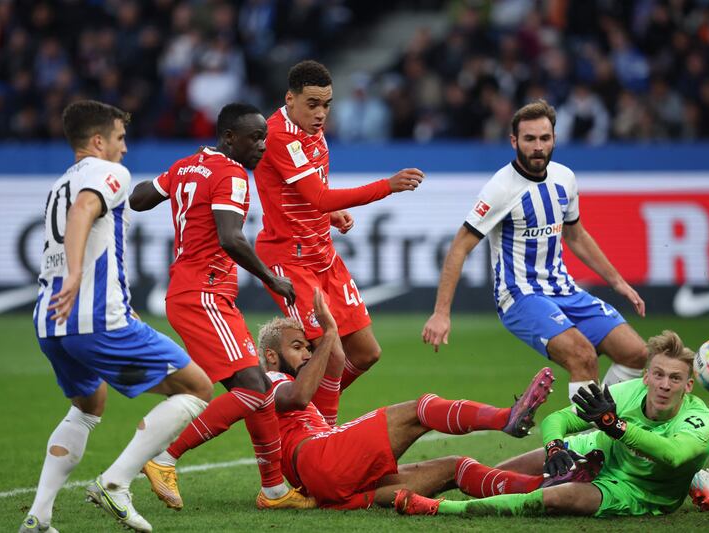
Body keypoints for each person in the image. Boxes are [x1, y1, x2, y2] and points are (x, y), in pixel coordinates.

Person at [21, 100, 213, 533]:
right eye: (120, 138)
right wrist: (75, 276)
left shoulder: (60, 183)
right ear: (98, 141)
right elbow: (84, 211)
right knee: (198, 387)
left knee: (90, 406)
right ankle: (116, 482)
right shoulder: (109, 175)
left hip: (50, 322)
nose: (125, 149)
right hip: (94, 318)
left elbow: (78, 217)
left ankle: (39, 516)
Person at [128, 103, 314, 511]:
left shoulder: (187, 165)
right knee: (255, 389)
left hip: (195, 294)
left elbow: (139, 199)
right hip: (204, 295)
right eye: (254, 138)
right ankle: (163, 456)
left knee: (258, 391)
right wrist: (272, 278)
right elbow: (231, 238)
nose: (262, 147)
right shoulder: (230, 175)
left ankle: (274, 490)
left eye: (264, 138)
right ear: (229, 137)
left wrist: (174, 179)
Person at [422, 99, 647, 402]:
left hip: (564, 290)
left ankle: (601, 425)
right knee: (582, 356)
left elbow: (576, 235)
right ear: (514, 141)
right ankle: (585, 445)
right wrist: (441, 312)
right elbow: (461, 244)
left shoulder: (565, 178)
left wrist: (618, 282)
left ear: (554, 138)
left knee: (637, 354)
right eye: (529, 139)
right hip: (519, 295)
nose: (538, 146)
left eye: (545, 138)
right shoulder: (501, 188)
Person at [261, 287, 557, 510]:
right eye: (297, 347)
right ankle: (506, 418)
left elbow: (336, 360)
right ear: (271, 357)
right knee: (420, 409)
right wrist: (327, 335)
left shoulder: (304, 392)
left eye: (307, 348)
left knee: (454, 468)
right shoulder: (270, 382)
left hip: (328, 481)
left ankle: (545, 490)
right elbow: (298, 397)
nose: (306, 354)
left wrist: (328, 329)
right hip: (320, 459)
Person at [397, 330, 709, 518]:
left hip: (638, 491)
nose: (664, 385)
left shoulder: (698, 420)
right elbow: (558, 418)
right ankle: (409, 487)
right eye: (658, 375)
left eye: (675, 379)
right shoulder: (626, 393)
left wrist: (615, 426)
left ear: (688, 386)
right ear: (646, 376)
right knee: (495, 477)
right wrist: (554, 446)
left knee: (556, 498)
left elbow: (672, 455)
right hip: (600, 449)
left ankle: (440, 508)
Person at [254, 59, 425, 398]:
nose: (321, 113)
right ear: (291, 99)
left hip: (323, 255)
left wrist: (331, 215)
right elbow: (317, 195)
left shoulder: (314, 132)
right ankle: (309, 423)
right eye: (312, 104)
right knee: (331, 357)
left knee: (366, 353)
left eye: (327, 105)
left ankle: (299, 403)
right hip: (290, 260)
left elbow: (303, 193)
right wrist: (387, 186)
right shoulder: (278, 136)